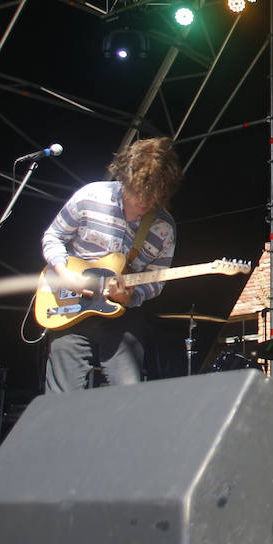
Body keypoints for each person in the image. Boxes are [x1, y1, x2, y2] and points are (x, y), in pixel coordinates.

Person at [41, 136, 182, 392]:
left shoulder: (164, 227)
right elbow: (54, 236)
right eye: (138, 192)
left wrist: (130, 297)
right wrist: (63, 272)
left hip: (122, 316)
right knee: (61, 396)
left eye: (153, 197)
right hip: (69, 306)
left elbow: (156, 282)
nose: (144, 202)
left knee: (128, 392)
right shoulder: (90, 196)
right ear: (125, 178)